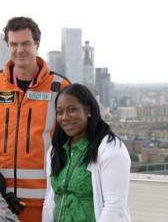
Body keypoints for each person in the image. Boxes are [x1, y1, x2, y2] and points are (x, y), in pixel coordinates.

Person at [0, 16, 70, 221]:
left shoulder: (59, 87)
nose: (19, 50)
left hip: (44, 200)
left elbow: (72, 138)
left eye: (26, 43)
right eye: (13, 44)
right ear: (7, 46)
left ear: (37, 44)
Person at [42, 84, 131, 222]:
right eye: (60, 112)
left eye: (72, 110)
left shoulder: (110, 148)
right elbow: (49, 201)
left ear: (88, 110)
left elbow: (115, 207)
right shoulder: (56, 150)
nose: (64, 117)